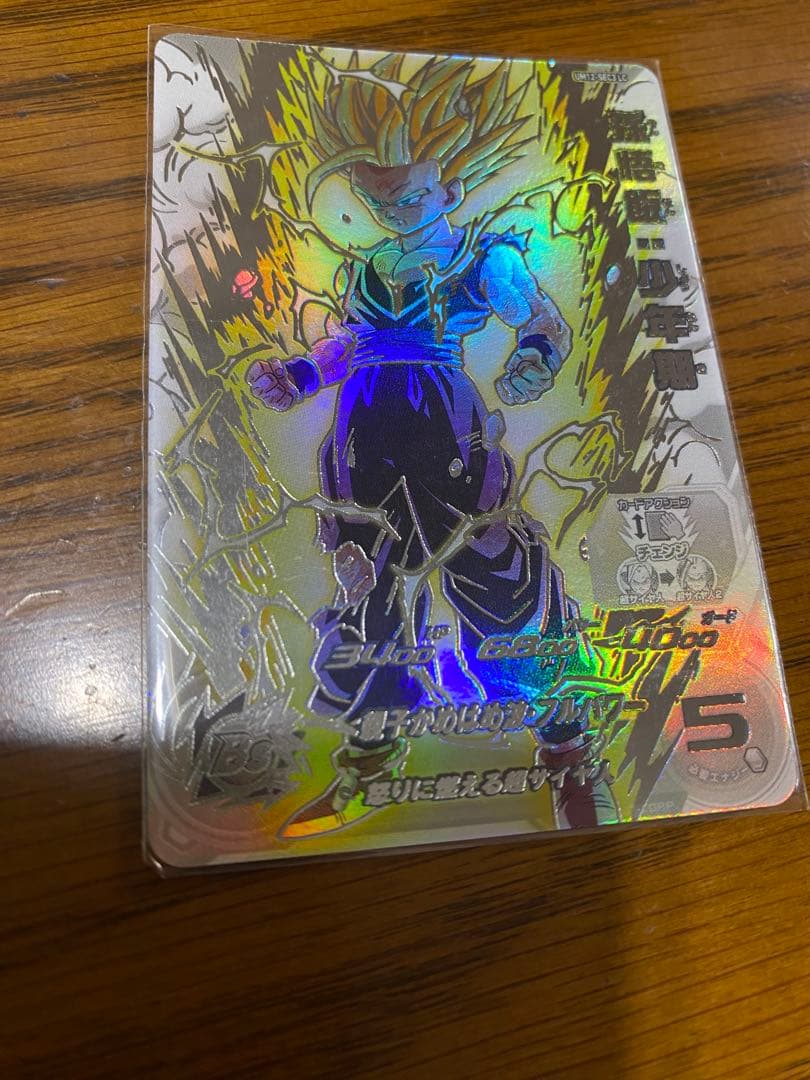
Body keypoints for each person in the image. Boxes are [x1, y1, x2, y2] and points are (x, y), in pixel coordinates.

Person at [246, 55, 616, 835]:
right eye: (378, 199)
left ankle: (568, 753)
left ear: (449, 190)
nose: (393, 212)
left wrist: (531, 360)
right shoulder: (367, 269)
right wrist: (300, 375)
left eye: (409, 196)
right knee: (366, 593)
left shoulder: (486, 255)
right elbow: (351, 345)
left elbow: (541, 320)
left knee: (501, 580)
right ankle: (368, 765)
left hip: (446, 432)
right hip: (362, 440)